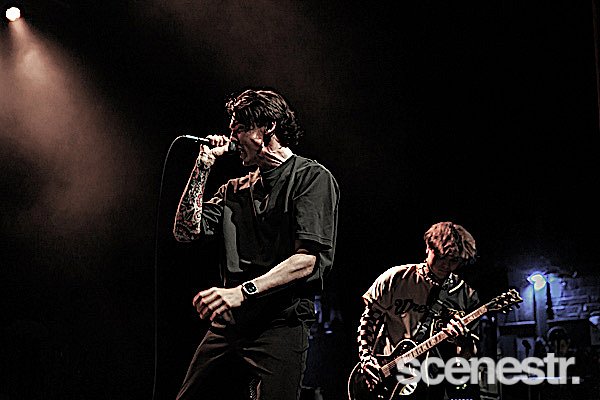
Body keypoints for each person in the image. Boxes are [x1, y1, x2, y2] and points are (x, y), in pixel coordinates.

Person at [172, 87, 340, 400]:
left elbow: (306, 261)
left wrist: (242, 292)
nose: (232, 138)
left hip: (281, 324)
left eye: (239, 129)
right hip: (231, 324)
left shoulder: (311, 178)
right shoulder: (234, 189)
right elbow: (185, 231)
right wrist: (203, 166)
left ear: (268, 127)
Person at [356, 221, 480, 399]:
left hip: (434, 383)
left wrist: (463, 340)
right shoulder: (396, 278)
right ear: (428, 248)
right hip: (389, 377)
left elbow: (466, 357)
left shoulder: (466, 295)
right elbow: (369, 319)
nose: (446, 265)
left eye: (453, 260)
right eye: (441, 257)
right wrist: (366, 357)